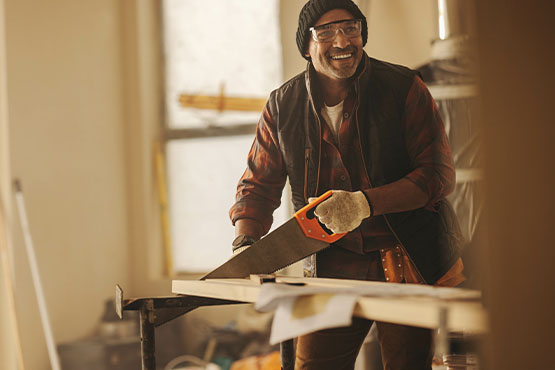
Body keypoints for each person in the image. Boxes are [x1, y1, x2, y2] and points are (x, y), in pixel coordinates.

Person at [229, 0, 466, 369]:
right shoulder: (282, 106)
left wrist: (363, 204)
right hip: (329, 268)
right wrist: (246, 240)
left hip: (405, 261)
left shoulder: (404, 88)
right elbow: (258, 186)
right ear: (306, 46)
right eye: (325, 32)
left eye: (351, 28)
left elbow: (437, 175)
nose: (342, 40)